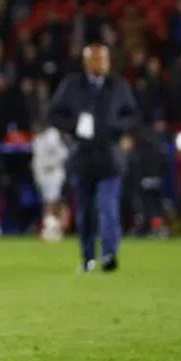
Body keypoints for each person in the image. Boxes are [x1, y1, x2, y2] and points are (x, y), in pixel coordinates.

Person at [47, 43, 138, 271]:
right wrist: (74, 126)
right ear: (86, 62)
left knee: (107, 207)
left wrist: (115, 128)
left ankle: (109, 255)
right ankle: (88, 258)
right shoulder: (72, 85)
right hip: (82, 157)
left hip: (109, 156)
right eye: (97, 59)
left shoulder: (118, 86)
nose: (102, 64)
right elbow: (54, 114)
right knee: (85, 211)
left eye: (105, 59)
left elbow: (133, 115)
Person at [31, 124, 70, 241]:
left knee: (53, 202)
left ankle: (54, 229)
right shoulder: (37, 139)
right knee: (48, 202)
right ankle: (50, 227)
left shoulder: (53, 135)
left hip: (55, 172)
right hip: (43, 175)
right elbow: (36, 159)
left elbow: (64, 154)